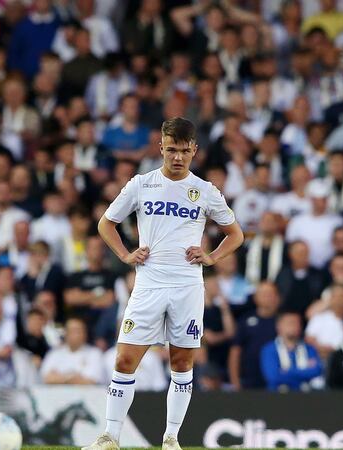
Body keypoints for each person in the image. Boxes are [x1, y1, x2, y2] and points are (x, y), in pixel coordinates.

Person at [83, 117, 243, 450]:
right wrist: (126, 255)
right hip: (149, 284)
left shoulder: (205, 191)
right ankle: (109, 437)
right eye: (171, 149)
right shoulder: (141, 184)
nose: (178, 157)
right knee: (125, 360)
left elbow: (236, 234)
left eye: (184, 151)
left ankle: (171, 438)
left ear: (194, 150)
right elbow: (105, 224)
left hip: (187, 286)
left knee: (182, 363)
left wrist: (212, 256)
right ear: (161, 148)